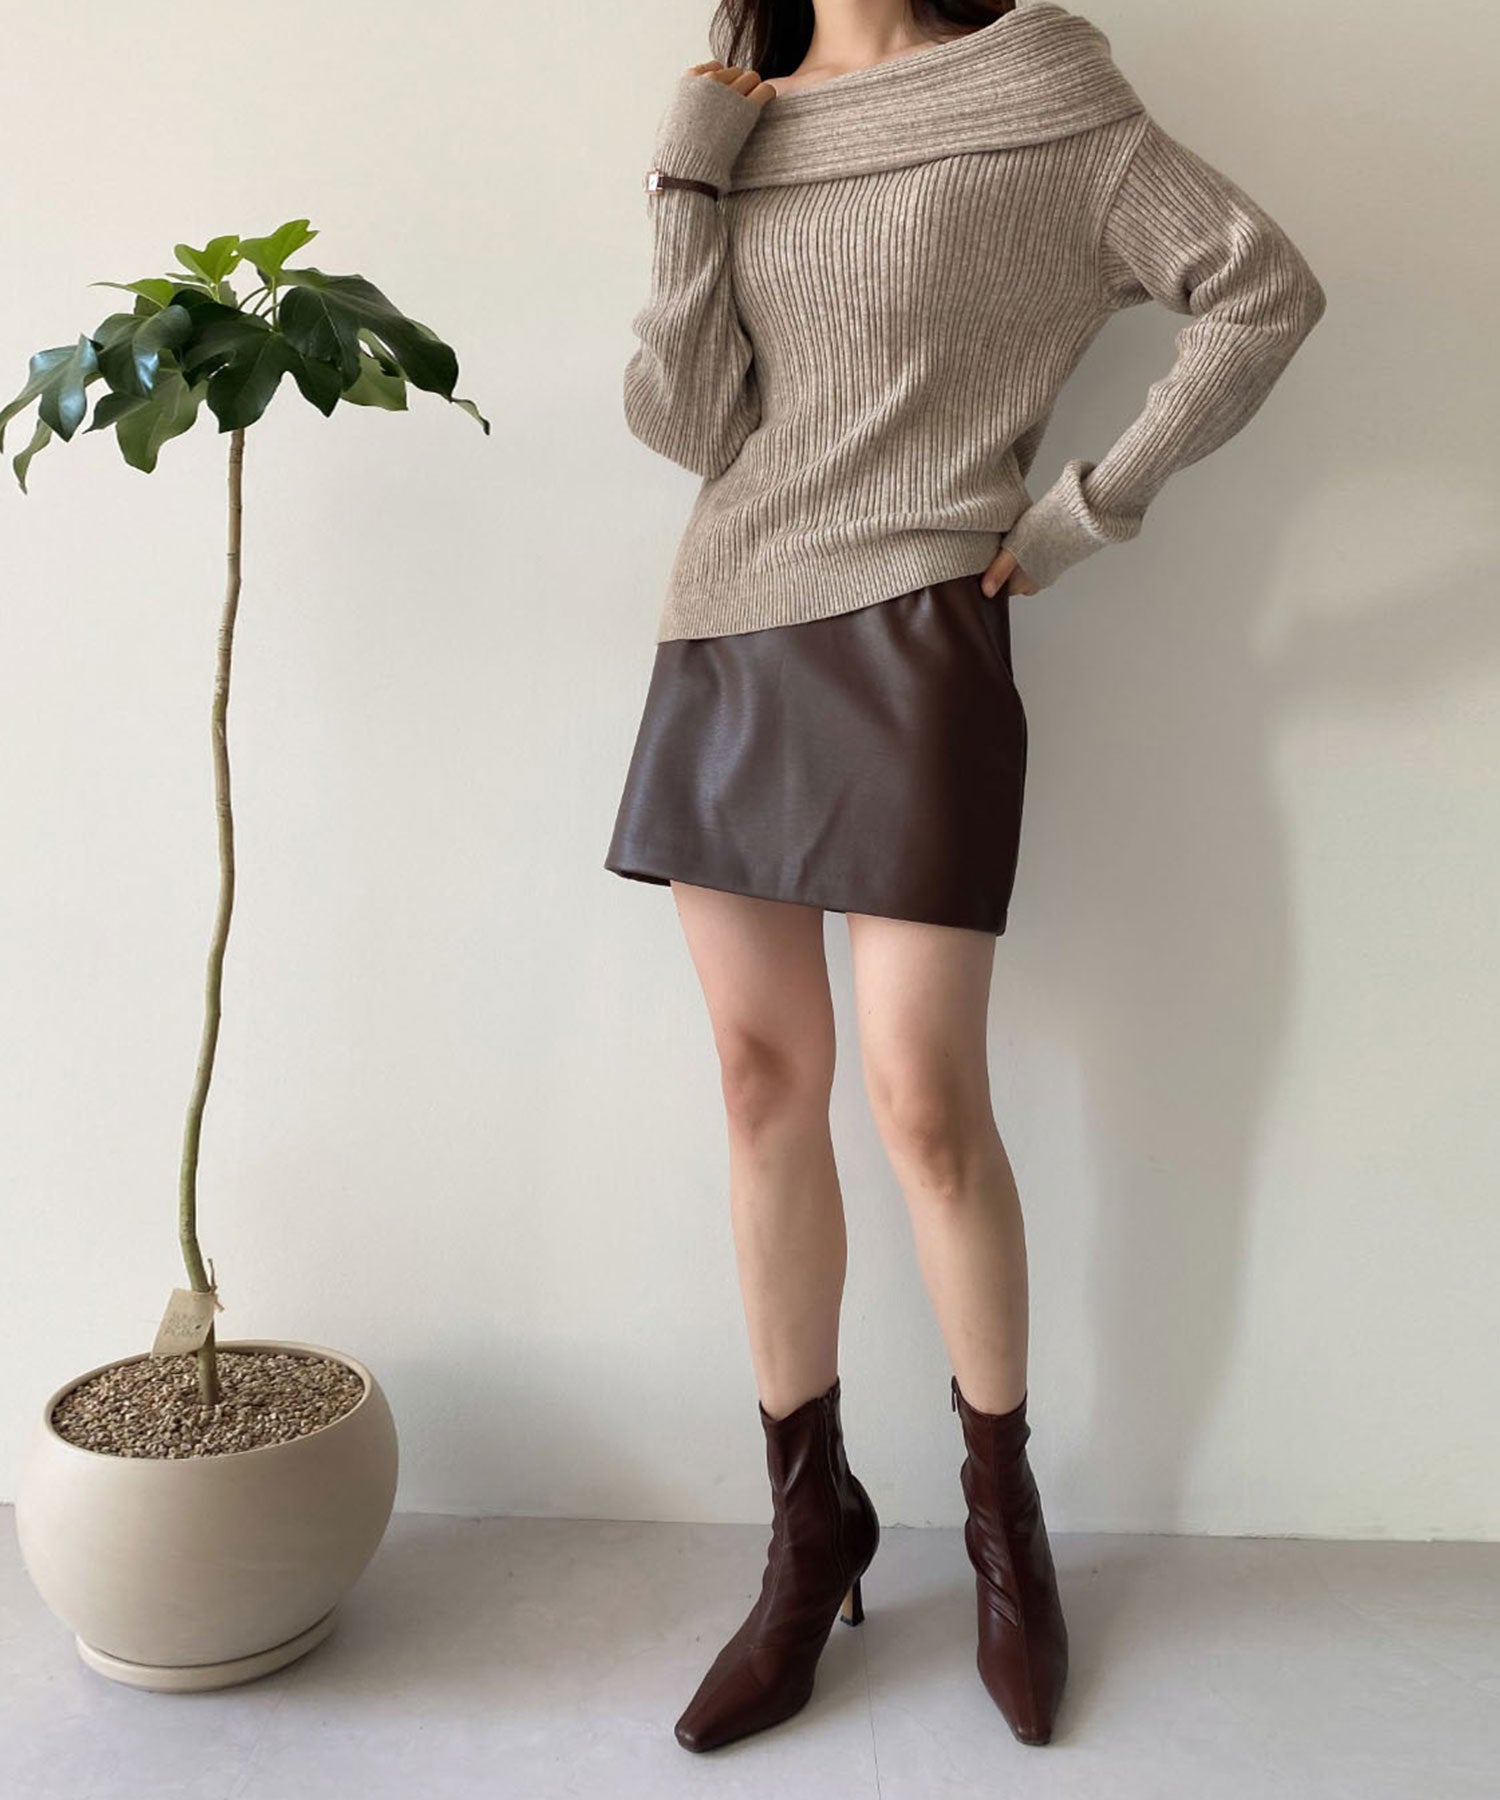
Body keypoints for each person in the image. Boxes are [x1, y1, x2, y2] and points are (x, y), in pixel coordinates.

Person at [604, 0, 1326, 1754]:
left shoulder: (1041, 86)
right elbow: (686, 423)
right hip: (728, 627)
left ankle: (1006, 1530)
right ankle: (809, 1538)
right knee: (760, 1082)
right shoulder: (746, 117)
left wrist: (1087, 507)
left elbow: (1261, 289)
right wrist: (686, 183)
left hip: (923, 627)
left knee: (925, 1102)